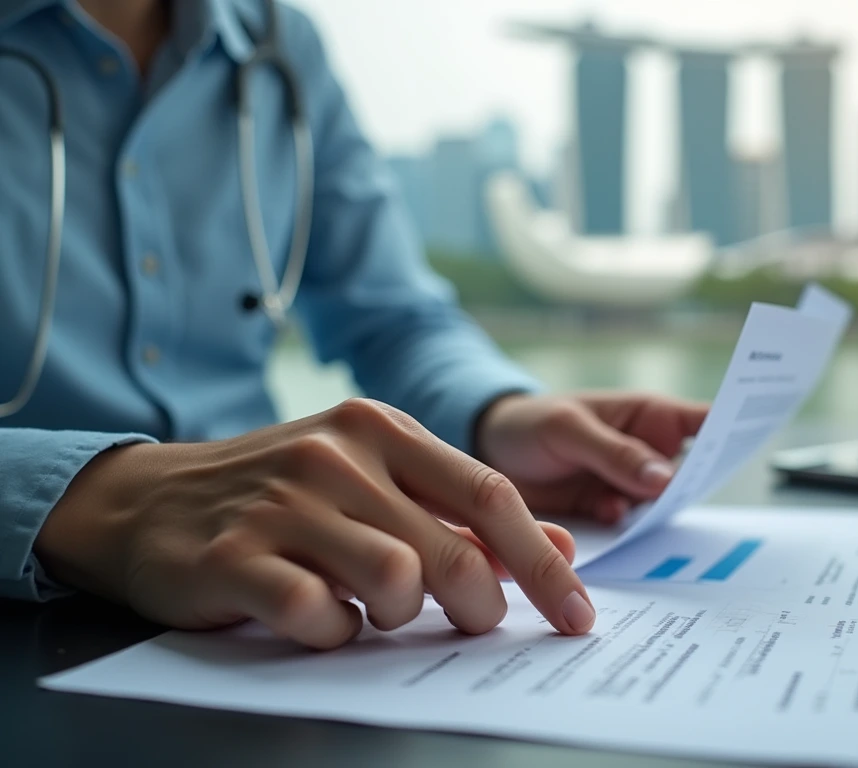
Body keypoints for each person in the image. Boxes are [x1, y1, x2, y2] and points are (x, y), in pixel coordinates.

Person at [0, 0, 708, 649]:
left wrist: (498, 416)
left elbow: (395, 316)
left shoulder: (281, 43)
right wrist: (106, 500)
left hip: (277, 590)